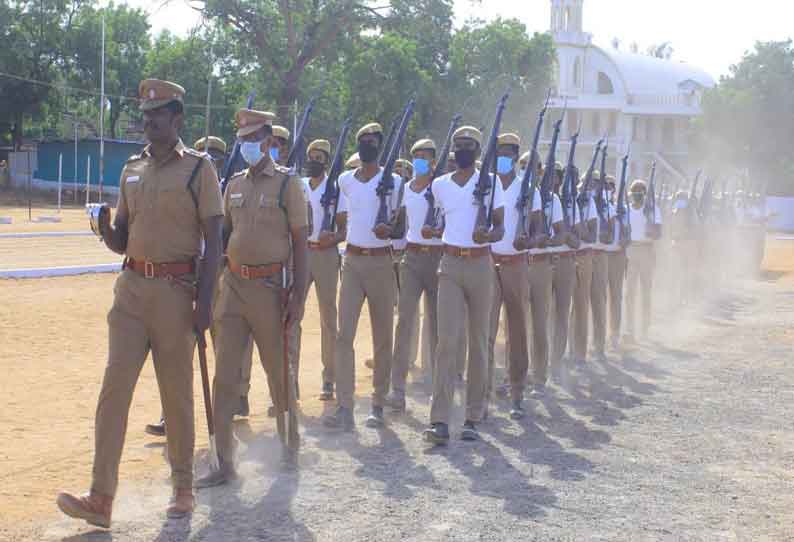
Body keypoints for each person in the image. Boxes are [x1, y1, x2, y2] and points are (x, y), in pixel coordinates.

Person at [56, 79, 223, 526]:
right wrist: (106, 230)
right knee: (113, 394)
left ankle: (183, 487)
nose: (149, 121)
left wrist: (205, 306)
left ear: (177, 118)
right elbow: (123, 240)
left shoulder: (198, 170)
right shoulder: (132, 168)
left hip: (175, 294)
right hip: (129, 293)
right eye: (145, 114)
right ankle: (101, 498)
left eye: (158, 114)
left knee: (175, 398)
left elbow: (215, 243)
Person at [194, 108, 308, 487]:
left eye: (252, 139)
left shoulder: (288, 185)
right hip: (234, 288)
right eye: (241, 139)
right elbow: (223, 237)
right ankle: (224, 463)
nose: (245, 146)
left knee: (278, 374)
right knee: (225, 378)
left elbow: (301, 245)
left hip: (271, 290)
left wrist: (299, 298)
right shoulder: (235, 185)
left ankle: (289, 450)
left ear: (269, 141)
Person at [145, 134, 233, 439]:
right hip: (188, 278)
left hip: (221, 278)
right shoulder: (187, 185)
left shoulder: (229, 189)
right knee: (178, 352)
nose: (212, 162)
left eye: (217, 158)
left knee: (225, 350)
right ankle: (170, 416)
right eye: (207, 155)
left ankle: (227, 411)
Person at [423, 125, 505, 444]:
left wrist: (490, 235)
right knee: (447, 341)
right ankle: (439, 419)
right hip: (450, 264)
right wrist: (432, 230)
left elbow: (500, 227)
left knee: (479, 340)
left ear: (478, 150)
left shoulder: (491, 182)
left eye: (469, 145)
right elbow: (438, 220)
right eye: (458, 145)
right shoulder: (440, 184)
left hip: (481, 263)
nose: (463, 150)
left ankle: (473, 414)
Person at [322, 122, 401, 431]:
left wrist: (389, 230)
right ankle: (344, 407)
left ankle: (378, 404)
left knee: (383, 336)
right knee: (344, 336)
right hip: (352, 261)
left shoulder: (394, 181)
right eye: (363, 140)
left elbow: (400, 225)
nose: (368, 144)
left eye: (373, 140)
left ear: (380, 145)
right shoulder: (345, 180)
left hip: (382, 262)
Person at [389, 138, 442, 412]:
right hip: (411, 257)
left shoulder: (442, 188)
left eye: (426, 156)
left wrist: (437, 232)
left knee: (436, 323)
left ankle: (436, 386)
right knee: (405, 321)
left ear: (434, 161)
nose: (421, 160)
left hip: (437, 258)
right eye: (417, 155)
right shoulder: (406, 188)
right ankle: (397, 389)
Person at [487, 133, 536, 419]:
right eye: (500, 152)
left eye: (508, 153)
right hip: (488, 263)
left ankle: (517, 388)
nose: (503, 158)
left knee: (517, 329)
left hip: (516, 264)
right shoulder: (487, 186)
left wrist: (528, 239)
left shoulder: (528, 189)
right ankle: (484, 389)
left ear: (516, 156)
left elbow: (540, 228)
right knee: (485, 328)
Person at [302, 139, 347, 401]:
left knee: (328, 318)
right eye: (311, 157)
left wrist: (334, 238)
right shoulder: (299, 186)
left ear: (327, 162)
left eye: (319, 158)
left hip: (326, 255)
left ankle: (329, 378)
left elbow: (343, 229)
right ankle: (290, 380)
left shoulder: (336, 188)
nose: (314, 161)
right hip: (303, 252)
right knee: (292, 314)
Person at [550, 163, 580, 375]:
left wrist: (565, 234)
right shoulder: (537, 200)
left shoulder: (570, 205)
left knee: (561, 312)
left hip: (564, 261)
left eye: (555, 177)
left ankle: (557, 359)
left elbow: (578, 241)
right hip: (542, 261)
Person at [624, 179, 662, 342]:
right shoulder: (627, 210)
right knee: (630, 292)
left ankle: (645, 327)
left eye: (641, 191)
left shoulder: (653, 210)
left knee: (646, 290)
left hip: (647, 249)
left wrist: (651, 228)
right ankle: (630, 328)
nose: (637, 194)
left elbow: (658, 233)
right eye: (635, 191)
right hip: (631, 250)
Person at [570, 171, 598, 366]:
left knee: (580, 305)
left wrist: (579, 222)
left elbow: (591, 235)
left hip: (583, 256)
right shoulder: (561, 199)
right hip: (564, 258)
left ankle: (579, 351)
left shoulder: (589, 202)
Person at [603, 175, 627, 351]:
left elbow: (628, 236)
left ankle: (615, 333)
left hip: (617, 256)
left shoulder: (622, 210)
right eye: (606, 186)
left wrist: (620, 219)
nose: (608, 189)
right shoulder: (601, 208)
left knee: (615, 296)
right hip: (603, 255)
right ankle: (599, 333)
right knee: (599, 297)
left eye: (611, 186)